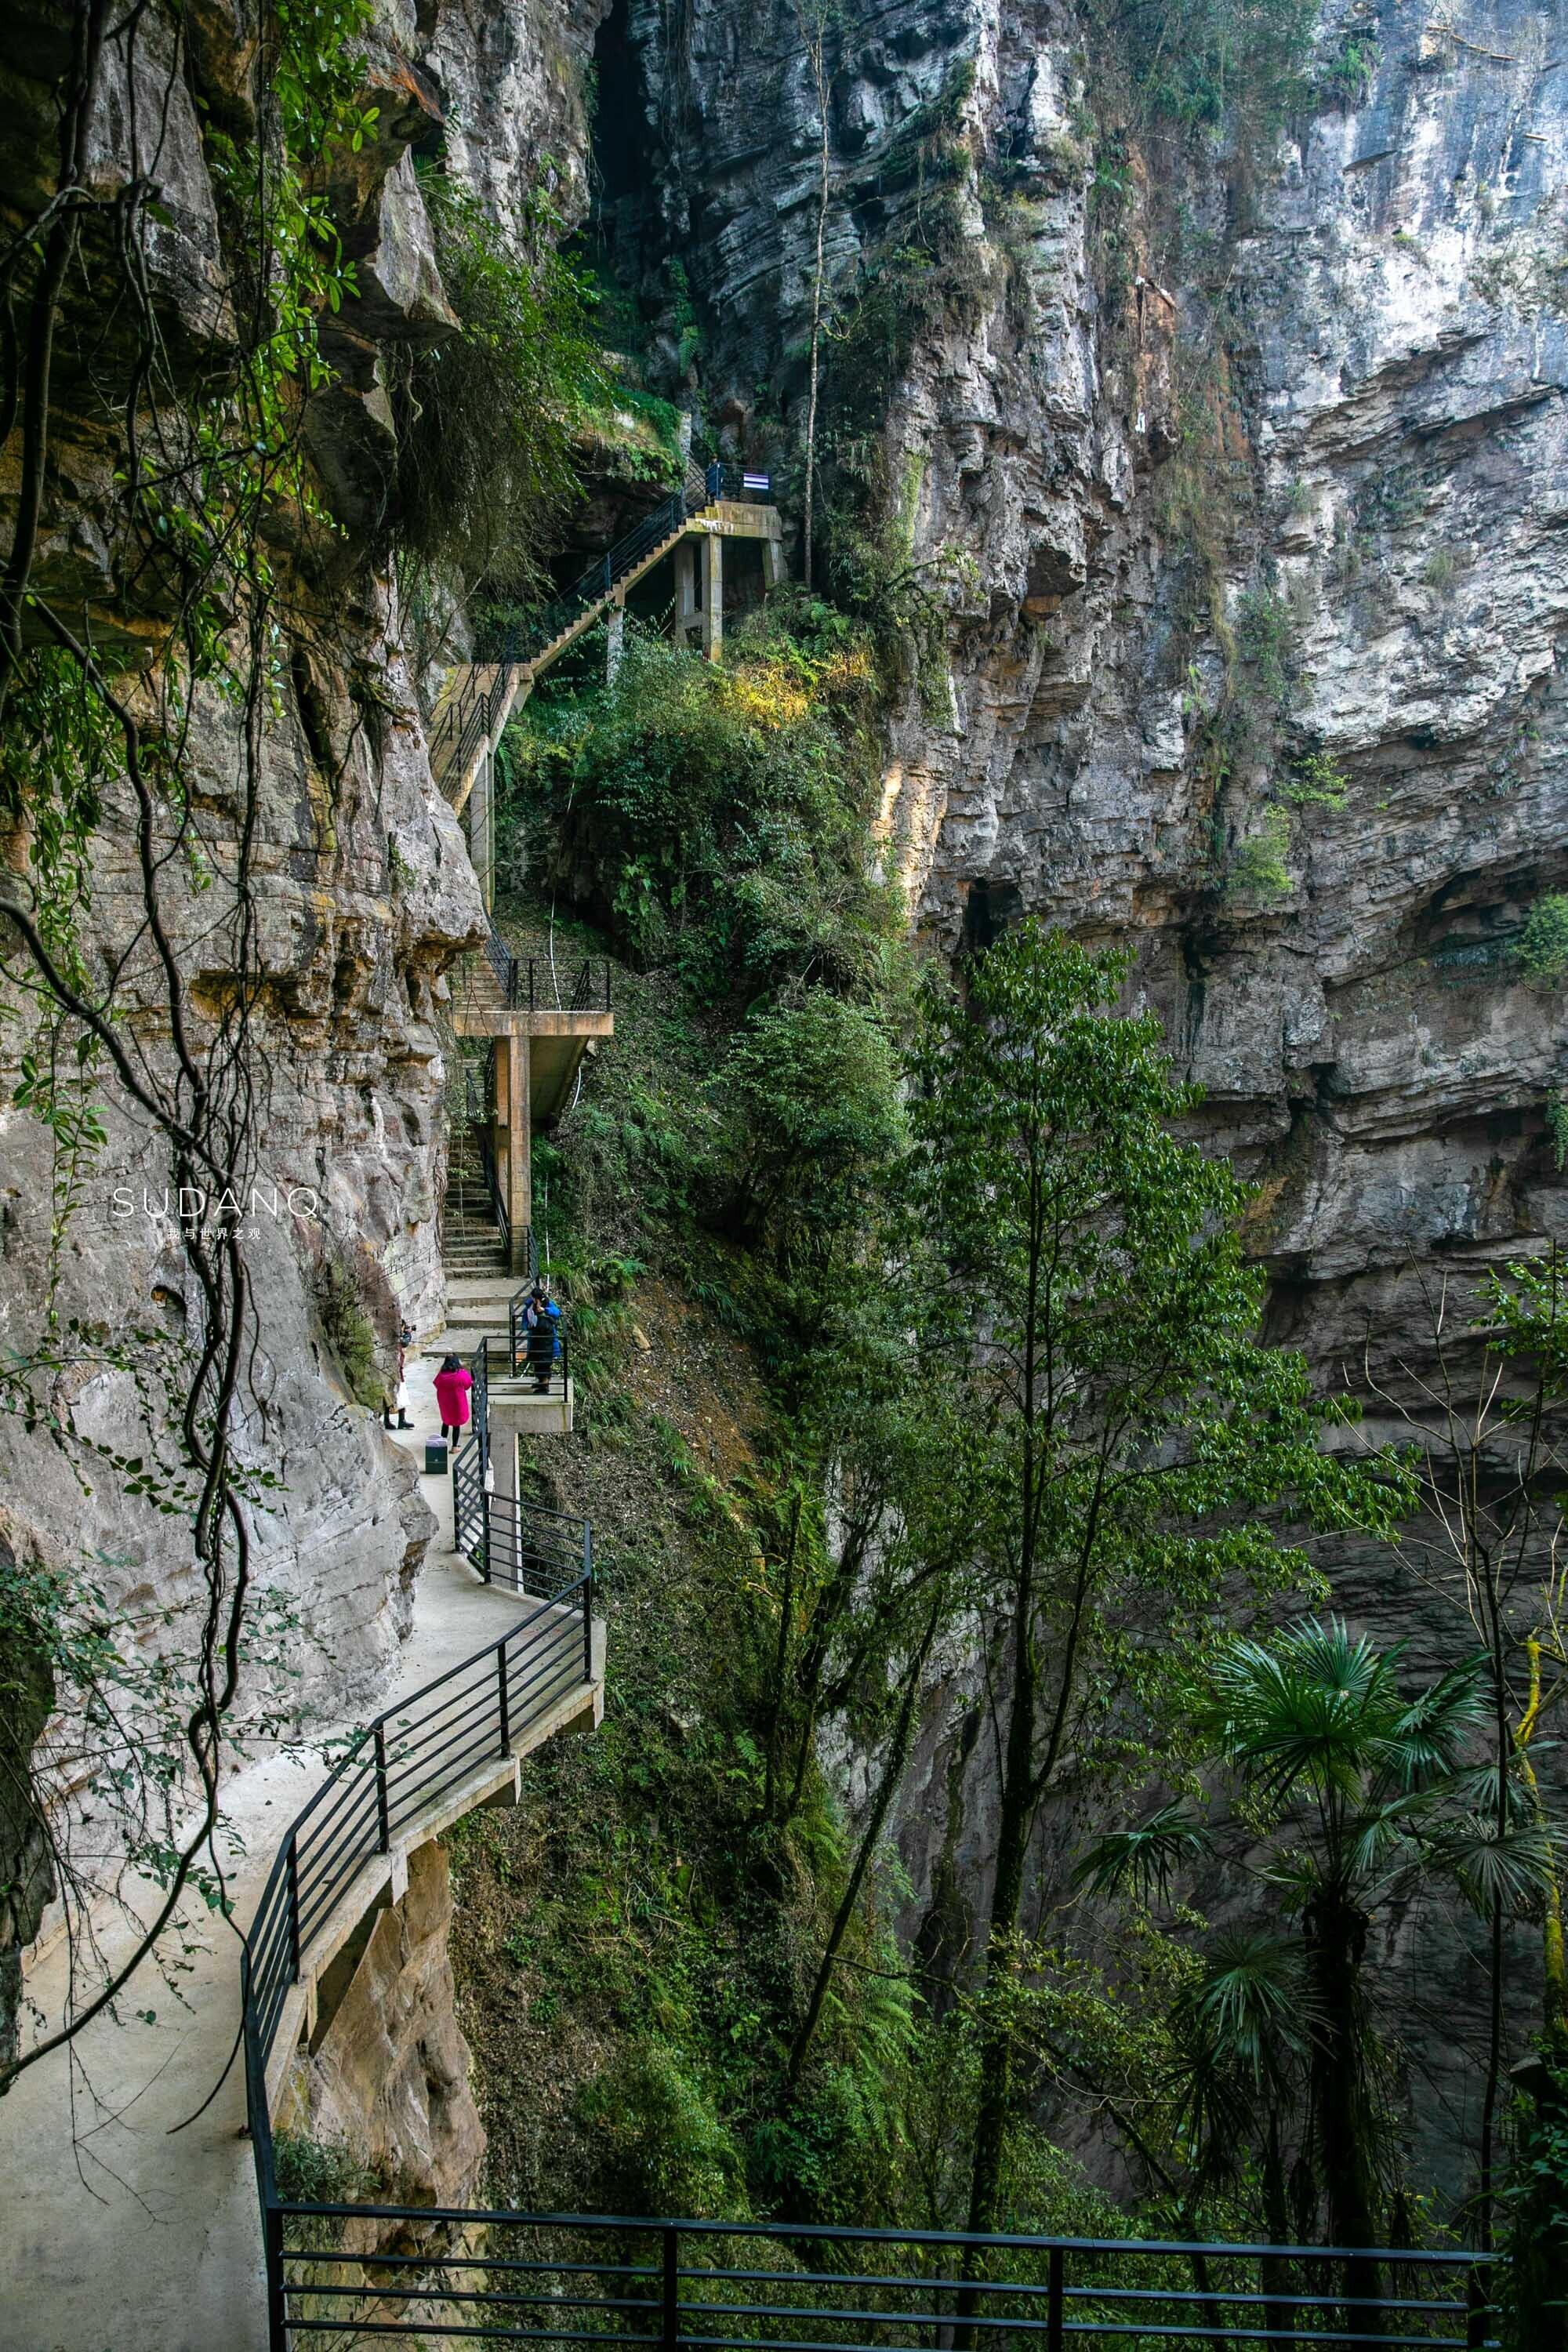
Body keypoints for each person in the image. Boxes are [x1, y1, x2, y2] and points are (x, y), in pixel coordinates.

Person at [521, 1282, 561, 1394]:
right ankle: (540, 1381)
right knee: (537, 1360)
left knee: (545, 1361)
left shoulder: (548, 1304)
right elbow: (525, 1321)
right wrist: (528, 1326)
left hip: (547, 1339)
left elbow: (557, 1312)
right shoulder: (529, 1307)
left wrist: (545, 1310)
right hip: (535, 1338)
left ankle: (545, 1384)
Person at [434, 1353, 474, 1444]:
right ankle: (455, 1446)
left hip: (445, 1402)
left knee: (446, 1421)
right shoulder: (460, 1374)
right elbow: (468, 1385)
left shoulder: (441, 1375)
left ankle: (442, 1444)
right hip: (457, 1402)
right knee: (456, 1424)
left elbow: (436, 1384)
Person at [383, 1319, 414, 1431]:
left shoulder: (387, 1335)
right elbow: (404, 1342)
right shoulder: (394, 1338)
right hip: (392, 1370)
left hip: (393, 1370)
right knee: (392, 1394)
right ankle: (390, 1420)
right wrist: (409, 1334)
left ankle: (400, 1420)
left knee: (400, 1395)